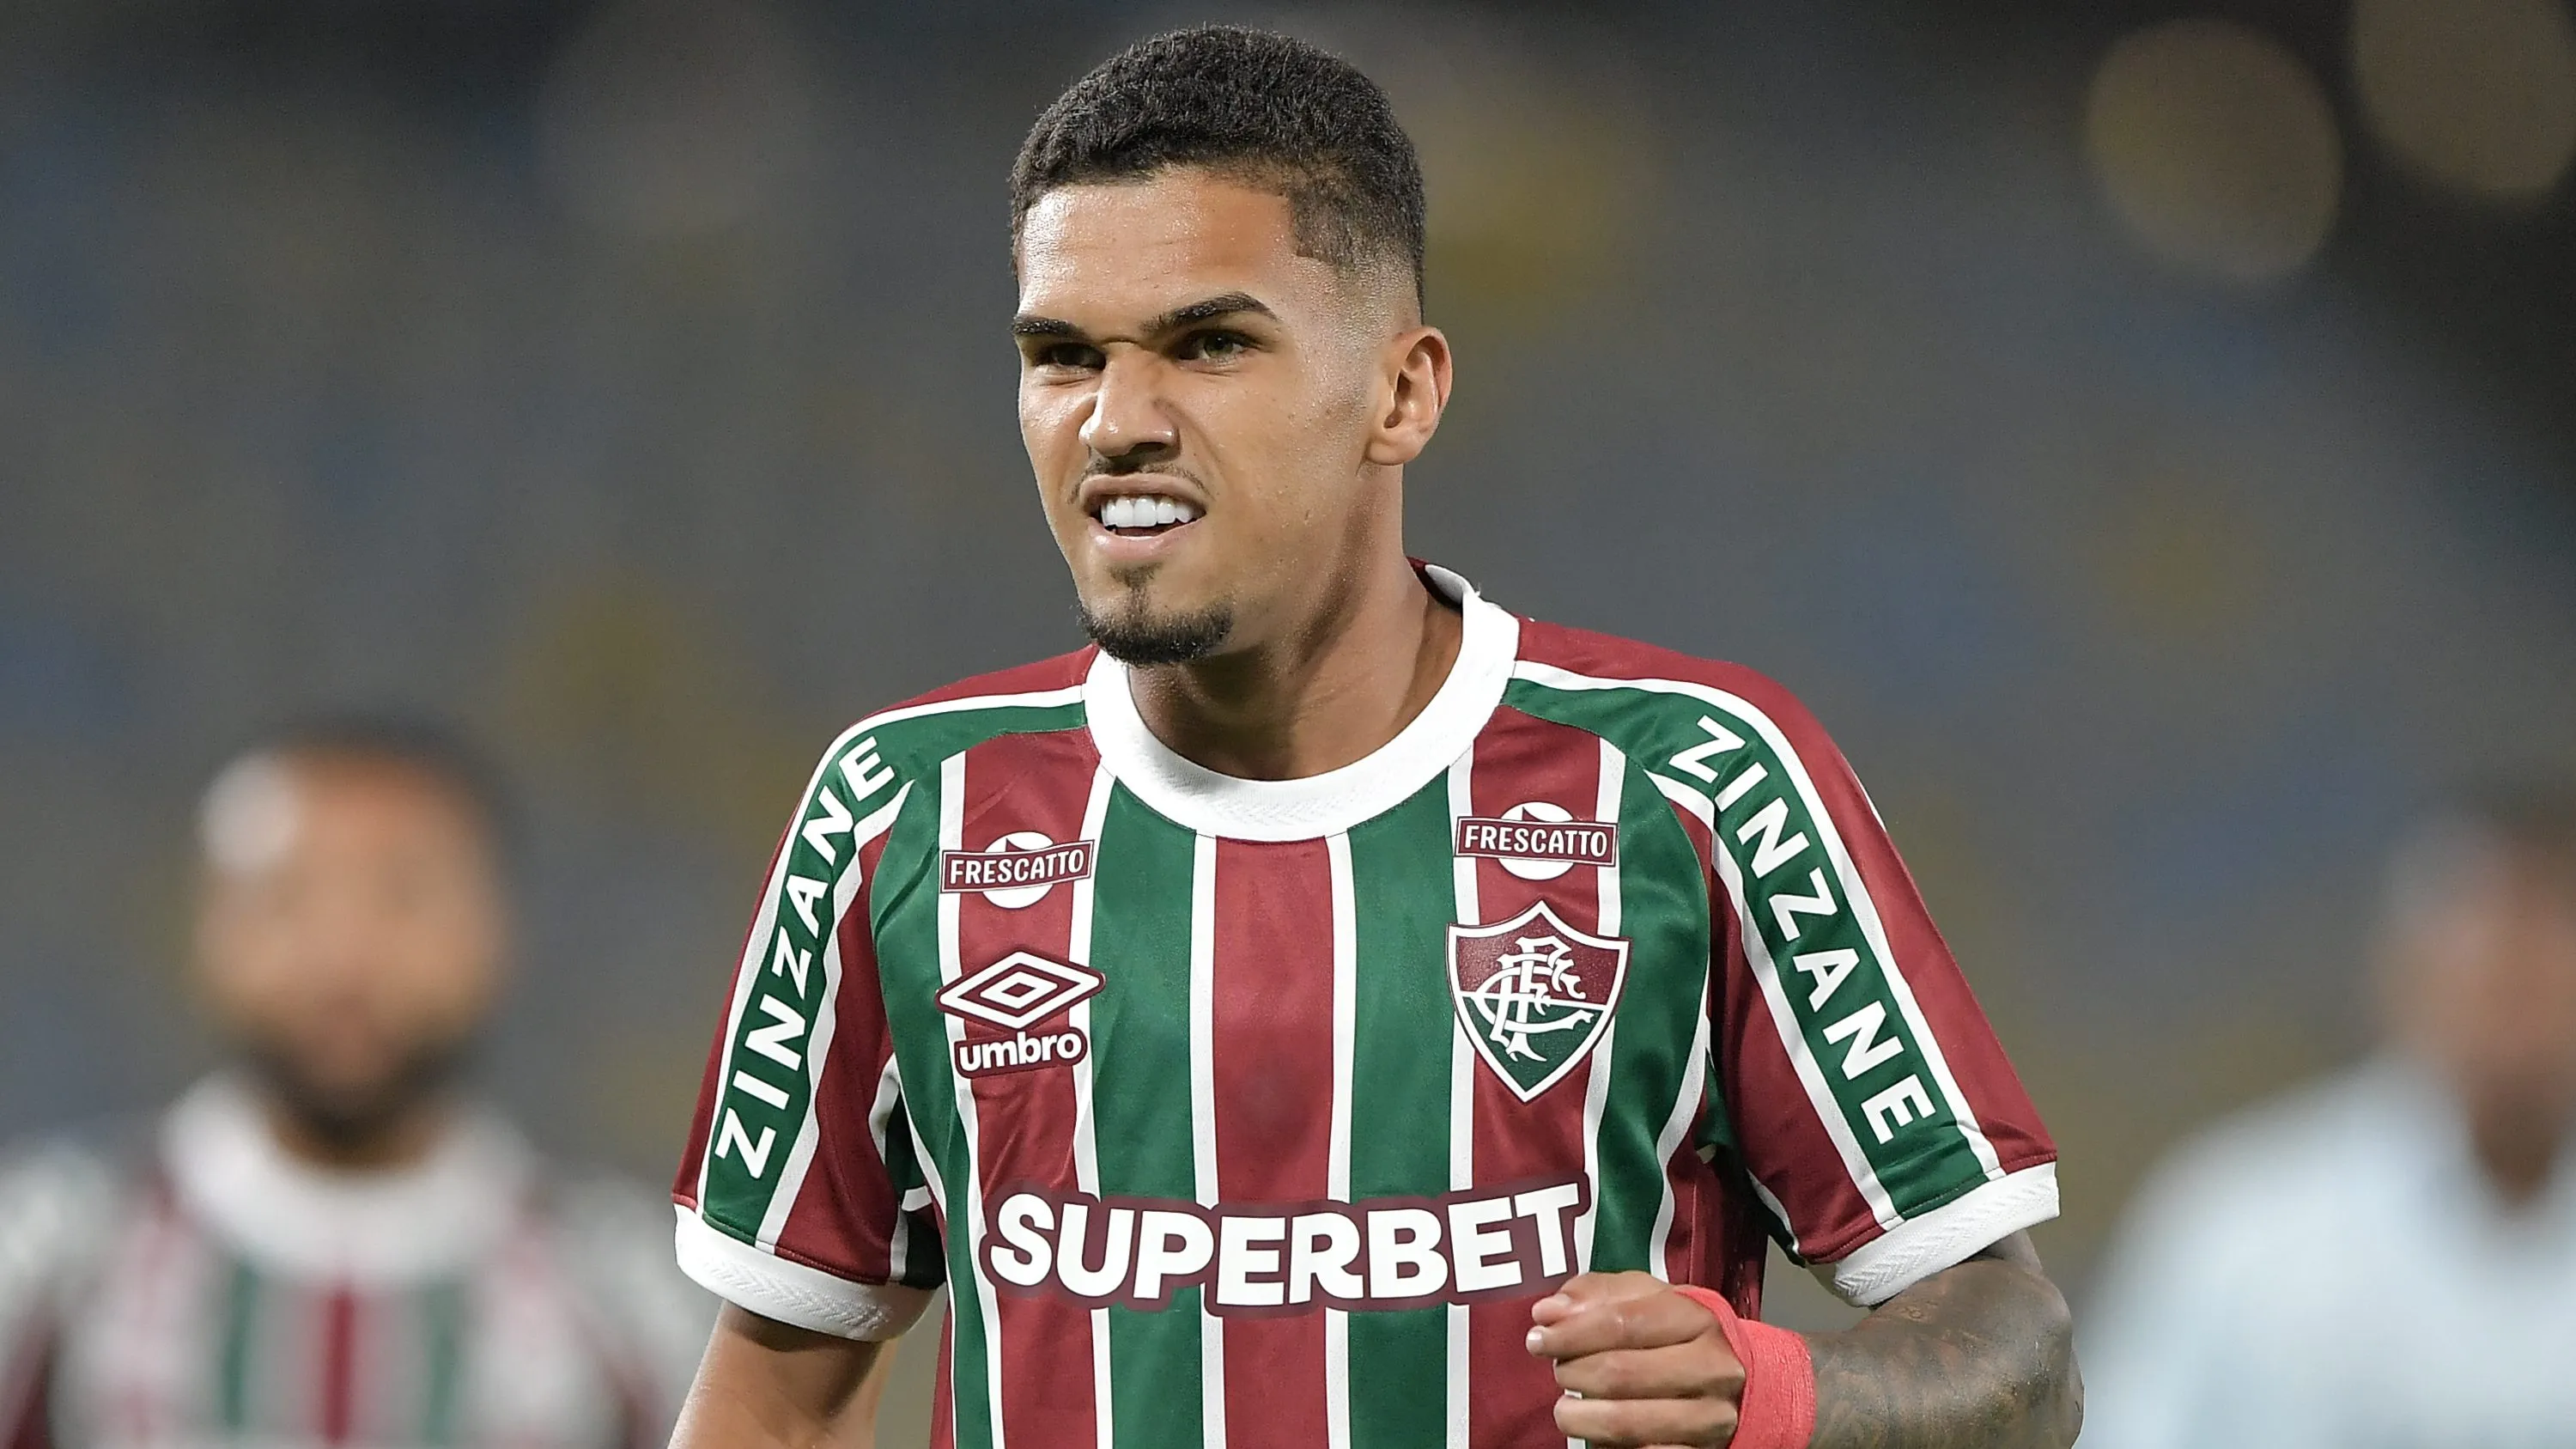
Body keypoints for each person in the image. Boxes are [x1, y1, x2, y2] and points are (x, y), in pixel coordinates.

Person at [667, 27, 2078, 1449]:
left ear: (1402, 393)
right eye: (1061, 354)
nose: (1116, 420)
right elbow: (774, 1407)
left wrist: (1785, 1395)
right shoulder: (901, 810)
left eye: (1210, 343)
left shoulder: (1701, 784)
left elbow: (2015, 1357)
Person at [0, 716, 712, 1449]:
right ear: (206, 930)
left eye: (404, 897)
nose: (344, 959)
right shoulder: (42, 1260)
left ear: (494, 932)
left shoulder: (635, 1298)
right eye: (285, 900)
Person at [2081, 788, 2576, 1448]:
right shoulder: (2240, 1226)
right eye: (2494, 976)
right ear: (2405, 971)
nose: (2517, 1014)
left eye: (2544, 972)